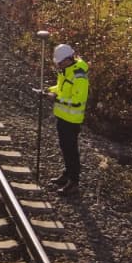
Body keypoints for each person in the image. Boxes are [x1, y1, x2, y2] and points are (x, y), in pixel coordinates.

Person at [47, 43, 89, 194]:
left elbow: (77, 101)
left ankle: (74, 182)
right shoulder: (66, 70)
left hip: (72, 120)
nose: (58, 65)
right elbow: (62, 89)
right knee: (65, 148)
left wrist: (56, 99)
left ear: (68, 59)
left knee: (71, 151)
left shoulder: (79, 76)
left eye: (60, 62)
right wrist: (49, 90)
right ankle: (67, 174)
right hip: (63, 117)